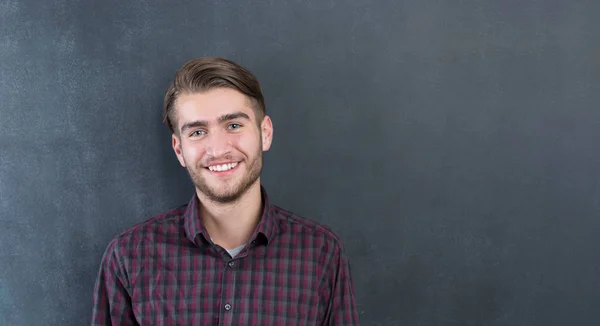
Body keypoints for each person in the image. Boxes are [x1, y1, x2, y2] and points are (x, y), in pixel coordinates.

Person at [91, 57, 359, 325]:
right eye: (197, 132)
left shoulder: (322, 254)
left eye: (233, 125)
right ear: (178, 149)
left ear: (265, 133)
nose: (218, 149)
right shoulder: (129, 257)